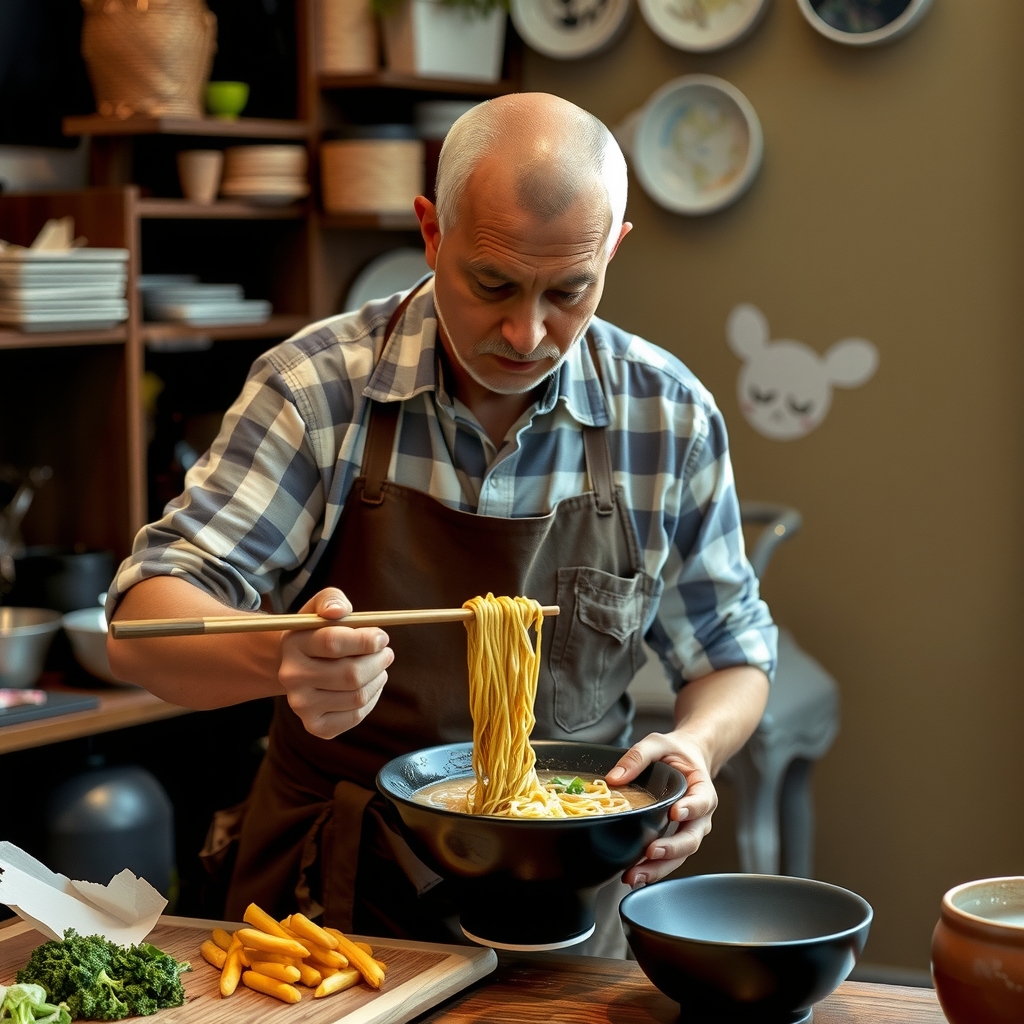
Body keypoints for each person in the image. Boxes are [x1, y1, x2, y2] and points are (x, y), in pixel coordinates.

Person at [107, 93, 776, 957]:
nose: (527, 333)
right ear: (432, 232)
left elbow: (731, 650)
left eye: (569, 291)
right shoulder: (319, 389)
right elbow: (138, 628)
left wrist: (695, 749)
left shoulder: (667, 416)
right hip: (332, 907)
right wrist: (278, 656)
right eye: (491, 283)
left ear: (613, 248)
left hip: (571, 901)